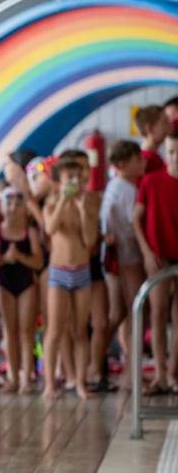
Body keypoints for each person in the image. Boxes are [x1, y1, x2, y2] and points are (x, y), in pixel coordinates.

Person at [42, 157, 95, 400]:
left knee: (80, 331)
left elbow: (90, 240)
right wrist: (63, 200)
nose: (74, 182)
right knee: (54, 330)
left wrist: (83, 212)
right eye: (68, 178)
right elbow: (50, 229)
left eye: (77, 177)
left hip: (81, 270)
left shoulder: (87, 204)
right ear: (59, 182)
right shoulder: (51, 204)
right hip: (59, 271)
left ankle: (81, 383)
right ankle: (49, 384)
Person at [134, 129, 178, 394]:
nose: (175, 157)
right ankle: (160, 373)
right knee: (158, 312)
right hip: (159, 254)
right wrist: (147, 252)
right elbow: (136, 219)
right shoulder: (151, 181)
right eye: (171, 151)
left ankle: (173, 373)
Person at [0, 186, 44, 394]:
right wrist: (6, 258)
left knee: (26, 330)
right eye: (9, 203)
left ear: (25, 208)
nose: (13, 207)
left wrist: (20, 257)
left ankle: (26, 378)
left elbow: (39, 262)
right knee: (9, 330)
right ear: (2, 207)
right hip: (5, 284)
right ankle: (12, 377)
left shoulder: (30, 232)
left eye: (18, 203)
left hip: (26, 283)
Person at [102, 140, 146, 382]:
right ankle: (131, 370)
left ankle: (98, 361)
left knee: (118, 314)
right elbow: (132, 226)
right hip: (128, 258)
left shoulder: (114, 186)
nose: (143, 163)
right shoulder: (127, 189)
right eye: (137, 160)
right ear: (122, 164)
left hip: (116, 257)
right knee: (135, 312)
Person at [137, 105, 169, 174]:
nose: (170, 126)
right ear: (150, 129)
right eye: (165, 122)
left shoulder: (154, 156)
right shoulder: (148, 159)